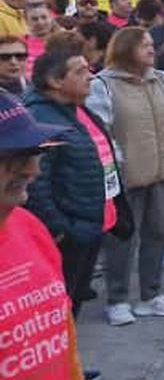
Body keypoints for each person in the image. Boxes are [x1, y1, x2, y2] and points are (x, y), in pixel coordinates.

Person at [0, 92, 105, 380]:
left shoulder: (30, 230)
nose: (33, 170)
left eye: (34, 153)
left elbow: (64, 357)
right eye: (10, 159)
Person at [86, 27, 164, 326]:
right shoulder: (103, 85)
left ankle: (151, 295)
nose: (152, 50)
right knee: (122, 239)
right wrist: (122, 164)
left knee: (157, 233)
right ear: (127, 48)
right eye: (144, 45)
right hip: (127, 175)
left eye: (152, 45)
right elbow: (102, 130)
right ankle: (117, 299)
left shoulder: (161, 80)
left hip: (159, 170)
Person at [25, 46, 114, 319]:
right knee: (60, 308)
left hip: (86, 224)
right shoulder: (42, 120)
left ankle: (71, 361)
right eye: (80, 71)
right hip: (69, 232)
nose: (90, 76)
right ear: (55, 81)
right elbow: (35, 182)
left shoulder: (73, 111)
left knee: (72, 304)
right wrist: (60, 229)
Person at [24, 0, 55, 76]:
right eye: (34, 19)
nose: (40, 22)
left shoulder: (62, 42)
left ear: (51, 18)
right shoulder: (20, 43)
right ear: (26, 21)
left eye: (44, 17)